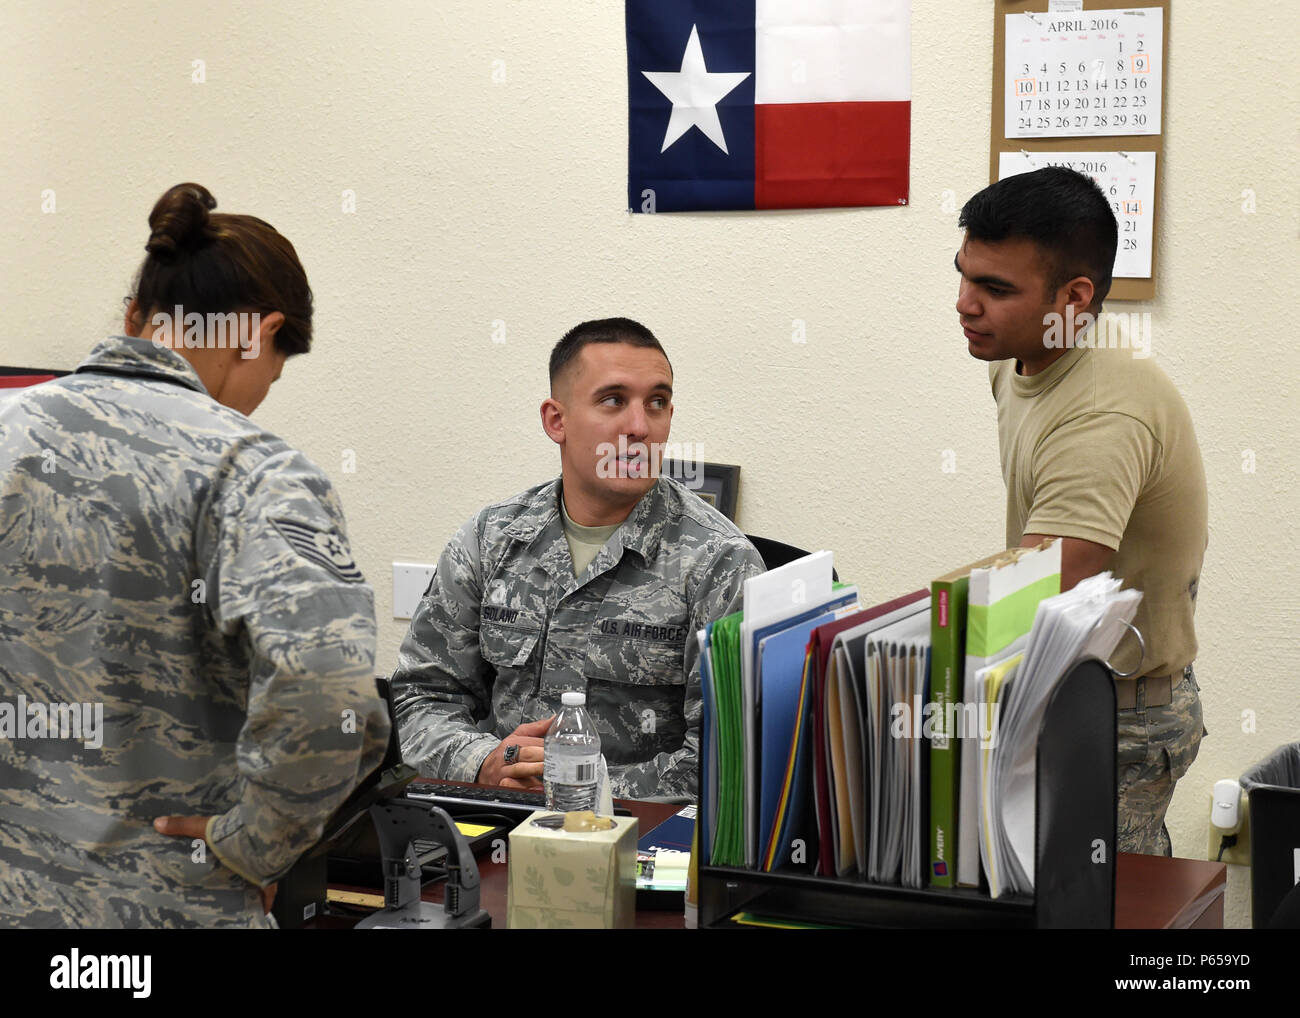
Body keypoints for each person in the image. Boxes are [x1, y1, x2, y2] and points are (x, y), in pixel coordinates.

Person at [0, 183, 390, 928]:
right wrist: (255, 845)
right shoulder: (255, 473)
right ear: (262, 332)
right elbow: (329, 695)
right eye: (269, 376)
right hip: (164, 908)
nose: (253, 401)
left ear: (135, 316)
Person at [391, 318, 765, 801]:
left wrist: (572, 784)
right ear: (556, 420)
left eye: (657, 402)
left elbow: (727, 761)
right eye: (613, 400)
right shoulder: (492, 538)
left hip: (638, 840)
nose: (639, 427)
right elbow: (419, 697)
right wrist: (482, 761)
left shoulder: (720, 563)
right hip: (500, 821)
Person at [954, 166, 1208, 856]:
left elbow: (1055, 572)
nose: (964, 304)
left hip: (1119, 719)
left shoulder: (1105, 407)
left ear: (1074, 297)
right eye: (965, 276)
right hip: (1061, 685)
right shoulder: (1015, 356)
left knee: (1099, 911)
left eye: (995, 289)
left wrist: (900, 628)